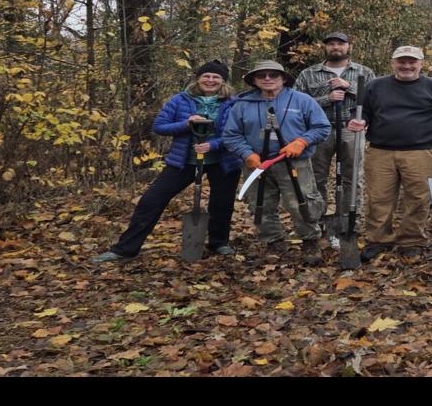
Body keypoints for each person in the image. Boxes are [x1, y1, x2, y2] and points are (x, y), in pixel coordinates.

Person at [95, 61, 237, 262]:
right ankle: (125, 249)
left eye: (216, 77)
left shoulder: (233, 103)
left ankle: (219, 243)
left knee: (222, 204)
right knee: (152, 200)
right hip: (184, 161)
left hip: (223, 161)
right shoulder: (180, 100)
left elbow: (238, 132)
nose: (210, 80)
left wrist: (213, 145)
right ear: (198, 78)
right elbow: (160, 127)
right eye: (206, 76)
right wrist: (187, 123)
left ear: (223, 81)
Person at [345, 46, 432, 263]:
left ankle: (412, 241)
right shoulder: (375, 86)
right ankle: (378, 239)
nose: (407, 66)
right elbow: (362, 110)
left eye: (412, 62)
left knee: (417, 198)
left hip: (420, 153)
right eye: (401, 61)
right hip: (380, 151)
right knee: (379, 198)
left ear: (421, 64)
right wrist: (357, 120)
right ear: (393, 63)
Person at [220, 60, 331, 261]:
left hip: (294, 162)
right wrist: (246, 153)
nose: (267, 78)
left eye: (273, 75)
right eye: (261, 75)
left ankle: (310, 242)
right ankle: (274, 243)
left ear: (283, 78)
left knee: (301, 202)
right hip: (257, 165)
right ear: (254, 80)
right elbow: (231, 134)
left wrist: (302, 141)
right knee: (260, 204)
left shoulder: (302, 100)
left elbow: (322, 127)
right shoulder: (242, 104)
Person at [294, 31, 378, 249]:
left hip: (352, 129)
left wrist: (349, 87)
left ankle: (349, 224)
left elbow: (375, 100)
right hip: (318, 131)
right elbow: (296, 103)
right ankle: (318, 222)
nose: (335, 47)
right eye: (331, 44)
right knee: (316, 178)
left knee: (352, 178)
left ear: (349, 47)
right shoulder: (308, 74)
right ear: (325, 47)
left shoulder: (364, 72)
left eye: (340, 44)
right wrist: (326, 98)